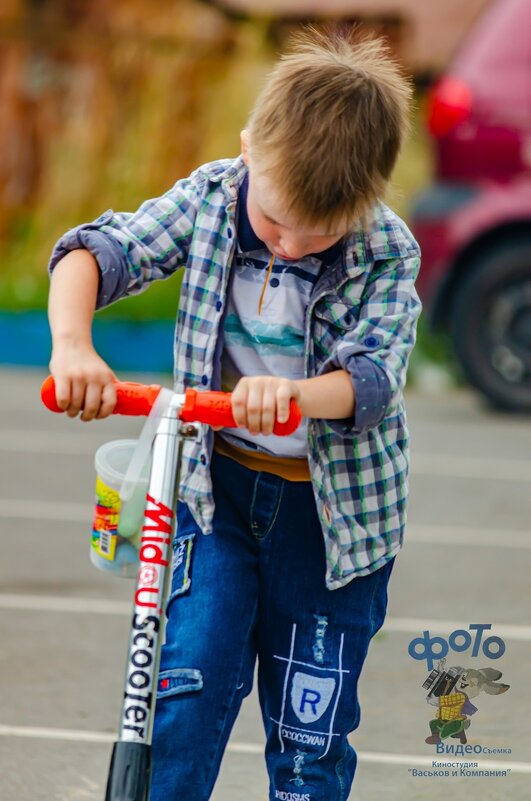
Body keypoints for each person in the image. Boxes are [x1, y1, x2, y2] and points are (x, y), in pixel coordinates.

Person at [47, 26, 421, 801]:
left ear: (367, 201)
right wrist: (73, 346)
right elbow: (98, 251)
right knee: (181, 691)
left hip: (331, 526)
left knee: (308, 735)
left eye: (315, 234)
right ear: (250, 149)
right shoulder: (214, 197)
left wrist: (297, 396)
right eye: (275, 221)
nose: (286, 247)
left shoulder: (387, 251)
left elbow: (373, 377)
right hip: (212, 497)